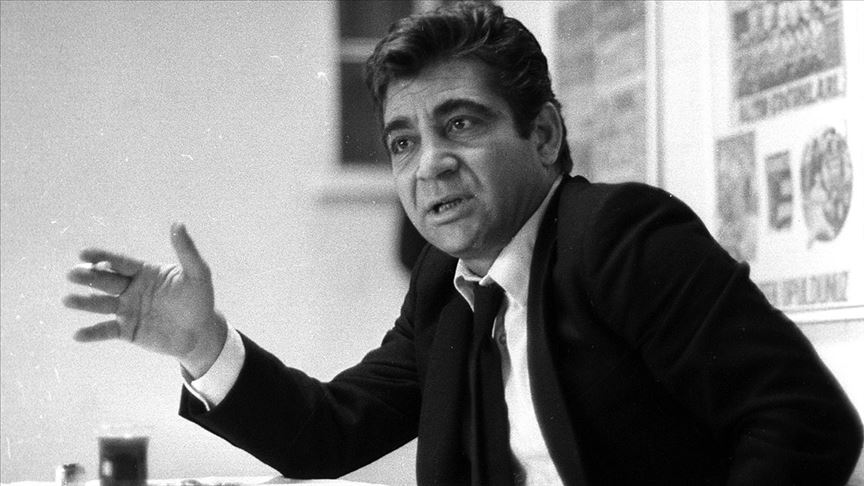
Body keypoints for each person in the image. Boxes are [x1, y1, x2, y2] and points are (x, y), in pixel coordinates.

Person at [63, 2, 862, 485]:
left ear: (544, 136)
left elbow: (804, 423)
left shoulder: (621, 238)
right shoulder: (444, 286)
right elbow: (333, 430)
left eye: (461, 124)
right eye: (403, 141)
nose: (430, 164)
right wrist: (202, 344)